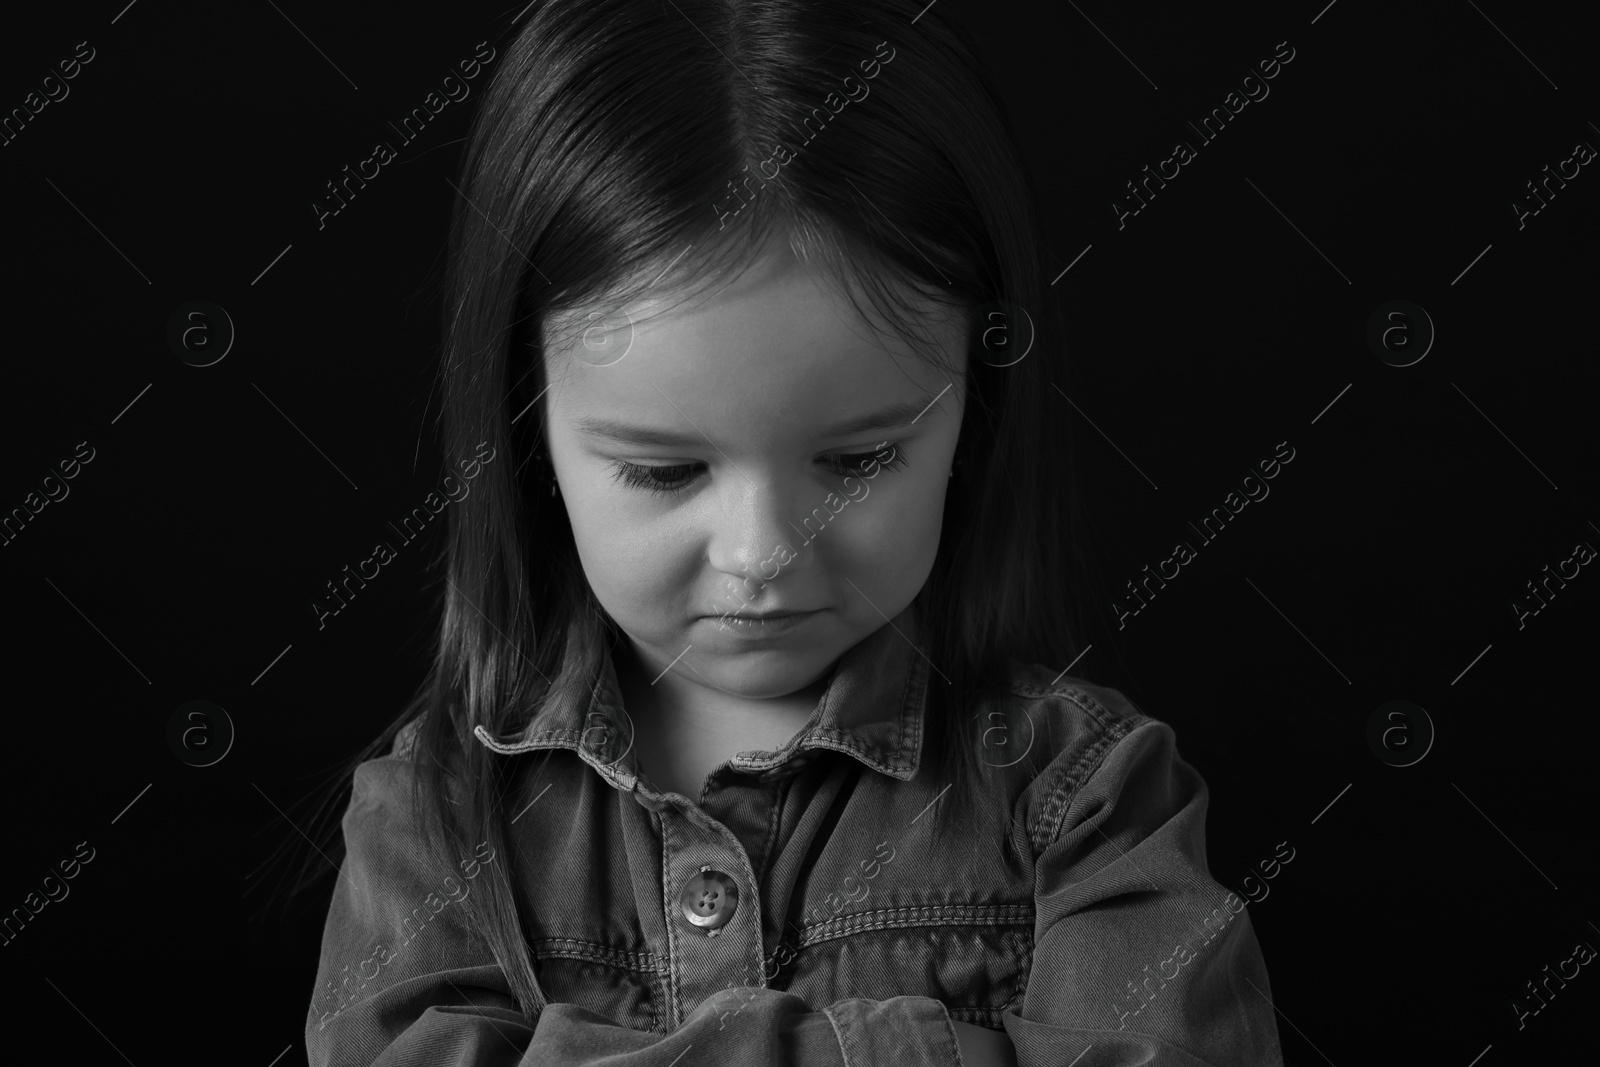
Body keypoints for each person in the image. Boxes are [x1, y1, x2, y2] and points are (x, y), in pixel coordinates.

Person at [299, 1, 1283, 1063]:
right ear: (527, 431)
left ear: (975, 407)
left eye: (857, 460)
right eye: (663, 468)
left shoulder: (1087, 797)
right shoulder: (431, 824)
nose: (763, 550)